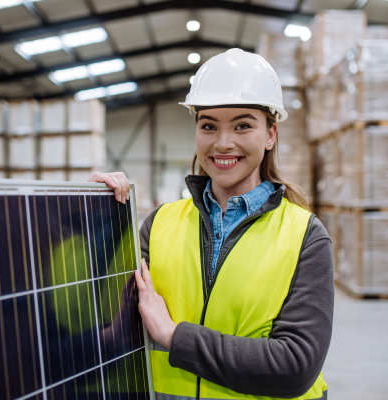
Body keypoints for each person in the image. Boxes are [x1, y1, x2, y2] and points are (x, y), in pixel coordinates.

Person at [89, 48, 334, 400]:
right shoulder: (159, 225)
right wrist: (97, 216)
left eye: (243, 125)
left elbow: (295, 366)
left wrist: (175, 337)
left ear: (270, 135)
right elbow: (111, 332)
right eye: (208, 125)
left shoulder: (305, 236)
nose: (222, 142)